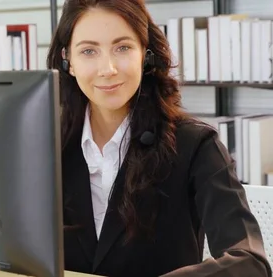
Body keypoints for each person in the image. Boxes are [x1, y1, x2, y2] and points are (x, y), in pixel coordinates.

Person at [46, 0, 272, 276]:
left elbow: (250, 262)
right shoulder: (46, 146)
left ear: (146, 53)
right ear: (68, 61)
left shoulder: (196, 145)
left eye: (123, 47)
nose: (108, 69)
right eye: (89, 51)